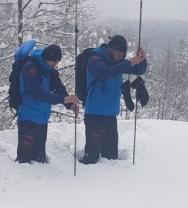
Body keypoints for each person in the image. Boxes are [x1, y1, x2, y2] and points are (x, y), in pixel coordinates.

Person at [80, 35, 147, 164]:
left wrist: (141, 60)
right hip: (95, 115)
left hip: (111, 115)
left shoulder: (119, 63)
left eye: (123, 54)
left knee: (110, 157)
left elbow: (140, 70)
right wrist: (129, 62)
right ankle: (85, 181)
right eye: (118, 52)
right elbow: (103, 73)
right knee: (91, 157)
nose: (120, 56)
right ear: (111, 48)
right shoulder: (95, 58)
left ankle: (110, 182)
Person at [16, 44, 80, 164]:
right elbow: (37, 93)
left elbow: (58, 88)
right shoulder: (31, 68)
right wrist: (63, 100)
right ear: (46, 58)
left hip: (42, 119)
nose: (55, 65)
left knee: (39, 160)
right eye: (53, 62)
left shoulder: (49, 71)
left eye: (57, 62)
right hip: (28, 118)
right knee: (24, 161)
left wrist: (70, 104)